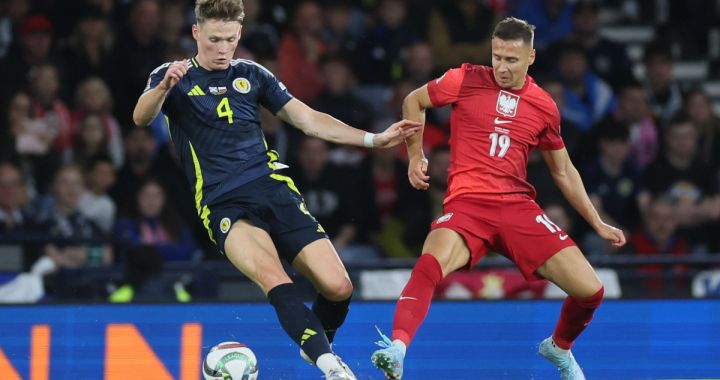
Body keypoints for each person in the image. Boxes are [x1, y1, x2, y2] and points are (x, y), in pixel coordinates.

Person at [132, 1, 420, 379]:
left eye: (231, 40)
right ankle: (330, 365)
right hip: (223, 203)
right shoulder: (173, 76)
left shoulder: (252, 74)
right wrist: (164, 87)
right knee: (275, 279)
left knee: (339, 287)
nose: (222, 48)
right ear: (196, 33)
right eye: (215, 39)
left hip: (273, 189)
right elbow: (141, 116)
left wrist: (372, 139)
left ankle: (316, 341)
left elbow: (308, 119)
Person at [370, 17, 625, 380]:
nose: (502, 67)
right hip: (468, 204)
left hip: (517, 207)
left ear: (531, 57)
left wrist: (596, 221)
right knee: (429, 264)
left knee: (591, 291)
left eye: (511, 60)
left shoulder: (544, 106)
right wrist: (415, 156)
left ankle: (559, 347)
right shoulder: (465, 78)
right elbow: (415, 100)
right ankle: (396, 348)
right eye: (497, 57)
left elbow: (563, 170)